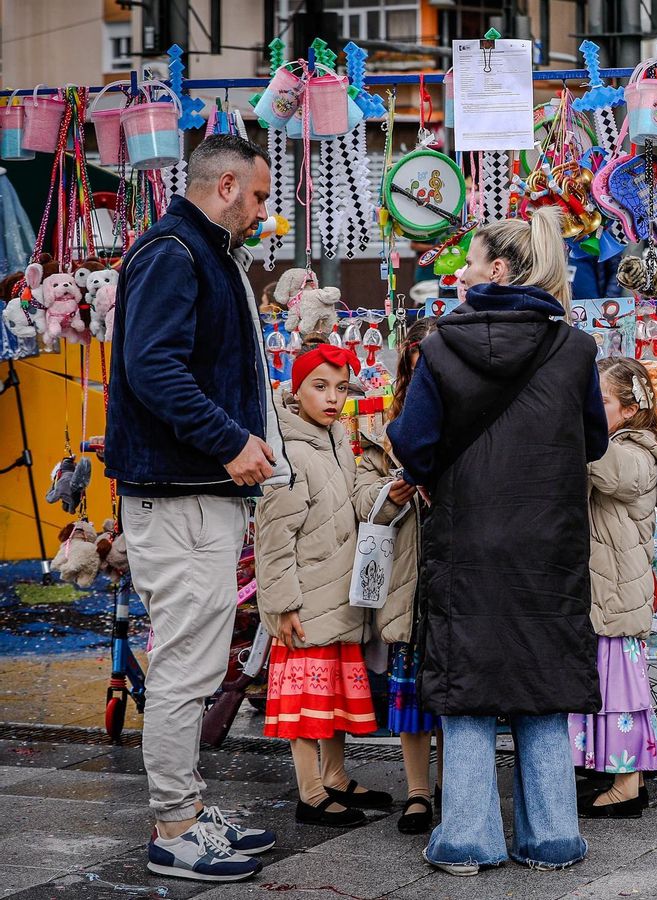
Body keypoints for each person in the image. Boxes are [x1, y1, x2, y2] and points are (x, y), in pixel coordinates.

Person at [388, 209, 609, 876]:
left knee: (469, 682)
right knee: (542, 679)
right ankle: (552, 837)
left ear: (500, 271)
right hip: (548, 544)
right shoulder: (574, 350)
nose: (461, 271)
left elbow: (415, 442)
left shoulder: (443, 345)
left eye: (472, 259)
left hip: (469, 536)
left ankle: (468, 839)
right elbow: (594, 441)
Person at [107, 133, 283, 882]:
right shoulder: (175, 254)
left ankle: (187, 808)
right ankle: (174, 827)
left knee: (196, 660)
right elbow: (153, 368)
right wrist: (230, 441)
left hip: (196, 494)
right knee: (184, 667)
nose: (265, 211)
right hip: (181, 496)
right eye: (262, 196)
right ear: (226, 186)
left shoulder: (200, 252)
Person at [257, 342, 392, 828]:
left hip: (338, 599)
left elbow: (351, 505)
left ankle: (334, 777)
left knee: (331, 699)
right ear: (297, 390)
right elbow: (274, 538)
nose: (333, 398)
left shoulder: (336, 440)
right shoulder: (290, 452)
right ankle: (310, 792)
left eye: (339, 388)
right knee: (308, 706)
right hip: (307, 602)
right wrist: (283, 603)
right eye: (320, 387)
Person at [570, 358, 657, 818]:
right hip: (607, 591)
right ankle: (621, 779)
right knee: (606, 689)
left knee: (620, 694)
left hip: (616, 597)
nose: (589, 408)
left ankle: (627, 785)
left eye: (599, 401)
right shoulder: (620, 444)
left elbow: (604, 468)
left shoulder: (634, 452)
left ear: (629, 410)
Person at [353, 317, 441, 835]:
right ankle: (417, 793)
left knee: (454, 693)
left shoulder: (465, 418)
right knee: (410, 694)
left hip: (453, 571)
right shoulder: (381, 430)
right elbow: (360, 499)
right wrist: (391, 495)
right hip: (407, 577)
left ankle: (457, 784)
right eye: (417, 366)